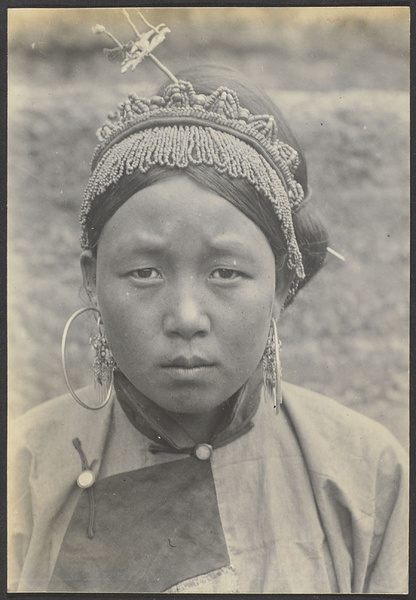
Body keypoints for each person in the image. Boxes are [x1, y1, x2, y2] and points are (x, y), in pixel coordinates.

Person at [8, 12, 408, 594]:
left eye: (226, 272)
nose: (186, 318)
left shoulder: (367, 474)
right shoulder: (22, 471)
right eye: (144, 272)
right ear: (92, 281)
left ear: (280, 286)